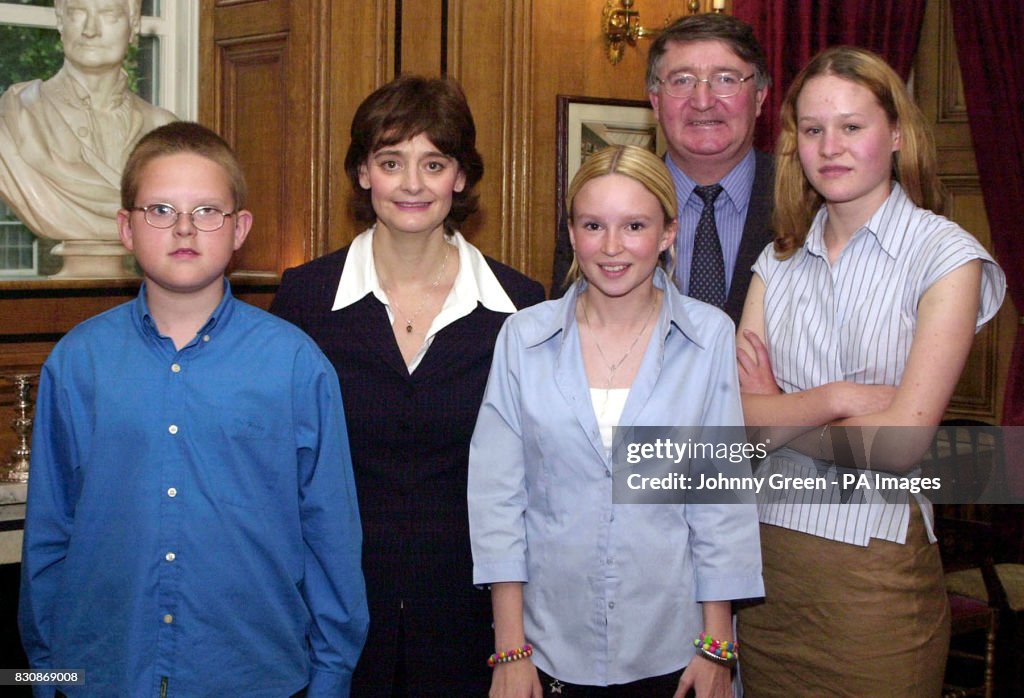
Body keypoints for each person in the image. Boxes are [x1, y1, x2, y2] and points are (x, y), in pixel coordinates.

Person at [18, 121, 368, 697]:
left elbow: (329, 533)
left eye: (207, 211)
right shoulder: (78, 362)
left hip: (252, 674)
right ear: (126, 229)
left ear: (239, 230)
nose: (184, 228)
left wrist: (332, 676)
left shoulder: (295, 366)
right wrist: (43, 674)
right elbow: (50, 535)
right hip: (101, 672)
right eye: (160, 209)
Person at [733, 46, 1006, 696]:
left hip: (872, 581)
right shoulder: (777, 261)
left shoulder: (945, 255)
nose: (830, 145)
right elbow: (735, 425)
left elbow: (903, 445)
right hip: (762, 572)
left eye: (852, 126)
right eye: (813, 128)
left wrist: (783, 410)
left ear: (898, 136)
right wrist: (838, 399)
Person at [270, 75, 545, 696]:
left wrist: (515, 642)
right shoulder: (305, 298)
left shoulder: (521, 309)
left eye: (434, 163)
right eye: (392, 162)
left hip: (475, 627)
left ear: (462, 177)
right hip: (330, 623)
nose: (414, 184)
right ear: (364, 173)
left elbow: (535, 485)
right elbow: (277, 469)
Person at [470, 144, 763, 697]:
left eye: (633, 225)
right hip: (549, 647)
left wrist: (717, 648)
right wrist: (511, 649)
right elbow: (497, 501)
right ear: (573, 233)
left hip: (674, 647)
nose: (611, 247)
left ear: (668, 233)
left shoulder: (708, 336)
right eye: (592, 225)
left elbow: (718, 501)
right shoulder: (523, 338)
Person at [551, 13, 774, 325]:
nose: (702, 101)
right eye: (682, 81)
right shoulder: (599, 205)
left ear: (760, 97)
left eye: (726, 79)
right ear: (655, 101)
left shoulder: (806, 202)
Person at [0, 0, 176, 274]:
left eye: (108, 14)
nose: (90, 30)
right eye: (78, 12)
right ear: (60, 22)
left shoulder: (164, 131)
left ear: (133, 26)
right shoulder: (15, 117)